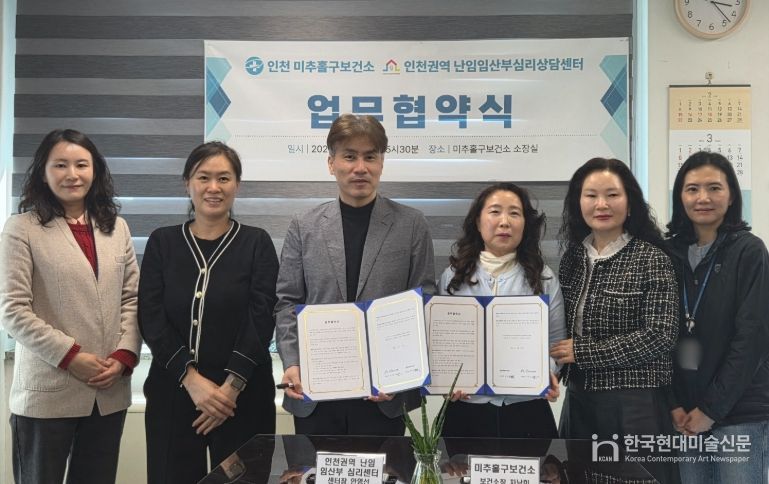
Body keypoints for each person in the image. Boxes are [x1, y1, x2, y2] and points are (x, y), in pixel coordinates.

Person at [275, 113, 436, 435]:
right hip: (315, 389)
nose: (360, 167)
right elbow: (287, 302)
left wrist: (402, 374)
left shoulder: (411, 224)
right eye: (349, 156)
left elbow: (423, 301)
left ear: (381, 163)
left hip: (385, 394)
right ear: (331, 163)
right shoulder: (304, 225)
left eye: (370, 157)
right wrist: (292, 362)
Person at [0, 129, 141, 484]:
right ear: (43, 172)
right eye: (60, 165)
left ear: (95, 171)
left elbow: (132, 298)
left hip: (108, 392)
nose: (72, 174)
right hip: (47, 393)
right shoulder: (22, 229)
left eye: (81, 164)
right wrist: (70, 355)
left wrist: (124, 356)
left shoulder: (117, 228)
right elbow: (13, 309)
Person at [138, 141, 279, 483]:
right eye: (203, 177)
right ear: (187, 183)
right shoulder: (162, 242)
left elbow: (262, 317)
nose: (213, 187)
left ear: (237, 185)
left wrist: (230, 389)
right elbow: (151, 316)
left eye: (224, 178)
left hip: (243, 399)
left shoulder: (257, 243)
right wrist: (192, 380)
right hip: (174, 393)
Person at [551, 157, 678, 483]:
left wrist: (584, 352)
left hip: (634, 406)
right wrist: (548, 373)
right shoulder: (572, 259)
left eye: (612, 195)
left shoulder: (651, 258)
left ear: (630, 203)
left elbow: (660, 335)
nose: (601, 204)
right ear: (578, 203)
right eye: (591, 195)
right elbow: (561, 330)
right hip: (579, 400)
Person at [666, 151, 769, 483]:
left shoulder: (749, 251)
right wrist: (673, 403)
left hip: (740, 412)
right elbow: (659, 335)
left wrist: (711, 410)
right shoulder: (668, 254)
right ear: (680, 196)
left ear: (732, 195)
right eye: (692, 189)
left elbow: (752, 338)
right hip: (684, 413)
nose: (703, 198)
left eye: (714, 188)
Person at [437, 182, 566, 438]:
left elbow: (556, 344)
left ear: (525, 224)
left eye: (514, 213)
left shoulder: (544, 277)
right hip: (466, 407)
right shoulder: (453, 276)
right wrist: (447, 380)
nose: (504, 222)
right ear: (478, 221)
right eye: (495, 212)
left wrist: (547, 373)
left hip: (526, 408)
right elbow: (442, 342)